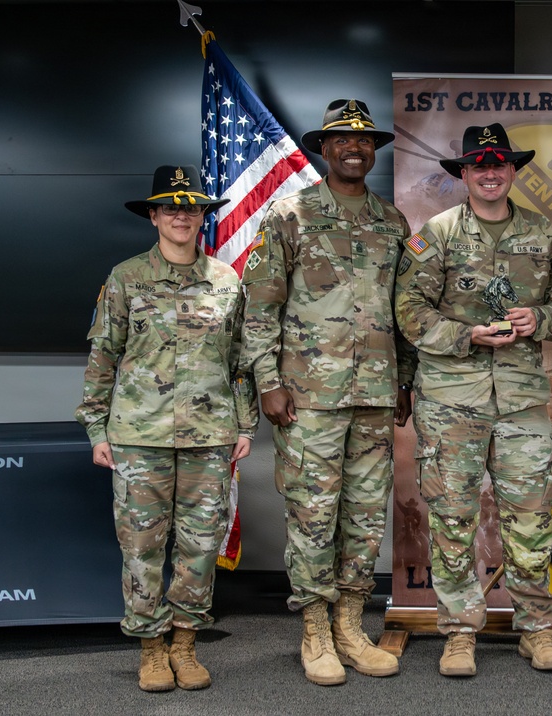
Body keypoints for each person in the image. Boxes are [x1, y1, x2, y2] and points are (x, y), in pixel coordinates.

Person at [395, 123, 552, 677]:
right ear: (465, 173)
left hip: (521, 401)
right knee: (453, 518)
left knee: (531, 517)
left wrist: (540, 317)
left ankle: (538, 629)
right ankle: (458, 631)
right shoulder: (438, 234)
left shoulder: (543, 235)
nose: (491, 171)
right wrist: (465, 335)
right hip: (453, 401)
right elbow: (408, 310)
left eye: (500, 162)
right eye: (480, 164)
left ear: (513, 170)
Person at [240, 98, 414, 686]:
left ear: (374, 151)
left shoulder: (392, 222)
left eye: (364, 141)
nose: (354, 148)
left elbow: (405, 312)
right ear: (324, 147)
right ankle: (315, 629)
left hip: (374, 394)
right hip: (307, 396)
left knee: (364, 518)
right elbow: (258, 309)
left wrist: (405, 382)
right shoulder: (288, 216)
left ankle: (349, 625)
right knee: (313, 516)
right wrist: (267, 382)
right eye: (343, 140)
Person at [75, 165, 257, 692]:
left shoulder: (226, 281)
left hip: (209, 435)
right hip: (138, 436)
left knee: (200, 545)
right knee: (142, 546)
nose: (182, 214)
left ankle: (185, 643)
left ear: (203, 217)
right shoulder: (125, 277)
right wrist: (95, 429)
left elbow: (240, 361)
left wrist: (245, 424)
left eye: (192, 206)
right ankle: (151, 648)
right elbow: (103, 356)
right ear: (154, 215)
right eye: (171, 206)